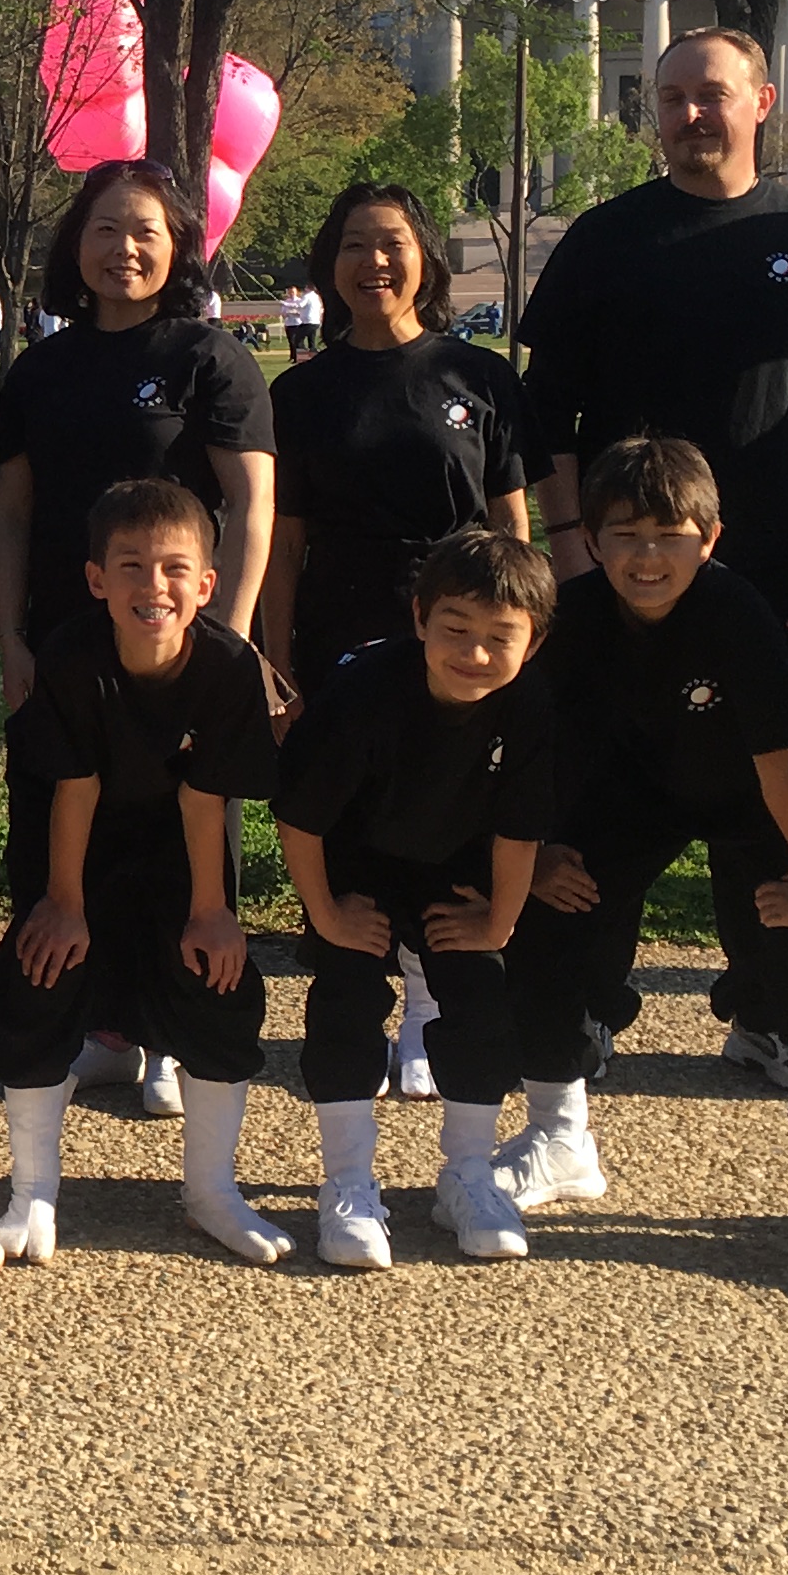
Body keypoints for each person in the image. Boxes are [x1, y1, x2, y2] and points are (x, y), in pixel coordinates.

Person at [517, 23, 788, 1088]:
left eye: (711, 94)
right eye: (672, 97)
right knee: (598, 799)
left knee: (770, 802)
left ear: (761, 103)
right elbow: (547, 416)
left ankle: (767, 1011)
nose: (689, 115)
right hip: (619, 580)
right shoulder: (605, 238)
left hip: (773, 576)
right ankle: (585, 1007)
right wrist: (570, 548)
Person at [500, 437, 788, 1295]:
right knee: (547, 911)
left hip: (754, 794)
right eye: (624, 535)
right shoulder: (570, 618)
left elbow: (784, 767)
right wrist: (535, 853)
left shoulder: (736, 613)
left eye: (669, 535)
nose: (647, 556)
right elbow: (527, 750)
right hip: (629, 789)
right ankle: (560, 1136)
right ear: (590, 540)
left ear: (710, 539)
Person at [0, 159, 276, 1113]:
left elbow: (251, 504)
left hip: (176, 651)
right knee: (62, 834)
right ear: (77, 243)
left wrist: (227, 643)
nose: (124, 248)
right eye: (105, 228)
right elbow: (14, 514)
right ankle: (95, 1028)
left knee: (177, 841)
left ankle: (170, 1033)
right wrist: (13, 639)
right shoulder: (41, 368)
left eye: (145, 230)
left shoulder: (210, 358)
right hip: (66, 649)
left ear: (179, 246)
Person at [0, 480, 291, 1268]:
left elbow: (205, 799)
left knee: (215, 979)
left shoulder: (228, 666)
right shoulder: (73, 655)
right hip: (75, 836)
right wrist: (63, 903)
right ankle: (32, 1193)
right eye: (132, 565)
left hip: (179, 842)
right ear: (96, 578)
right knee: (42, 972)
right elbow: (75, 788)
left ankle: (211, 1192)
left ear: (206, 585)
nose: (154, 585)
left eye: (175, 568)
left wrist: (210, 911)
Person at [264, 180, 536, 1102]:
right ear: (328, 264)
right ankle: (356, 1002)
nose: (372, 262)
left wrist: (519, 641)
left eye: (391, 244)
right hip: (341, 621)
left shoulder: (480, 376)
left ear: (425, 259)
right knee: (357, 813)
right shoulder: (300, 391)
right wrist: (276, 662)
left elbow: (511, 525)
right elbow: (284, 544)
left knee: (449, 807)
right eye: (353, 245)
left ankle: (429, 1003)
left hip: (461, 627)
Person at [271, 527, 556, 1269]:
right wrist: (325, 914)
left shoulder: (531, 708)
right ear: (420, 617)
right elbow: (300, 818)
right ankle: (347, 1183)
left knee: (481, 993)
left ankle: (468, 1175)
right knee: (345, 993)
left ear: (534, 642)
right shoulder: (363, 692)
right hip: (355, 859)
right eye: (456, 628)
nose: (476, 653)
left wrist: (498, 922)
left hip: (454, 862)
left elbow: (520, 831)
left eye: (500, 637)